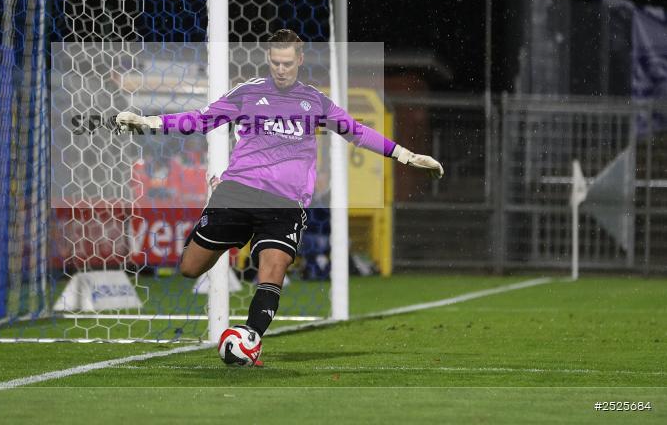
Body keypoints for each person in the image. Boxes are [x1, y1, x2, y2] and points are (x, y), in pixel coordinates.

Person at [115, 29, 443, 365]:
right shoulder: (248, 93)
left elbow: (356, 131)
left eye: (287, 63)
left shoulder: (314, 101)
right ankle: (221, 219)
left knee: (274, 268)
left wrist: (405, 155)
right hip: (238, 193)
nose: (281, 69)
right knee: (189, 267)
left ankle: (250, 337)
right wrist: (150, 122)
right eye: (275, 62)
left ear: (299, 60)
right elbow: (201, 120)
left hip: (284, 204)